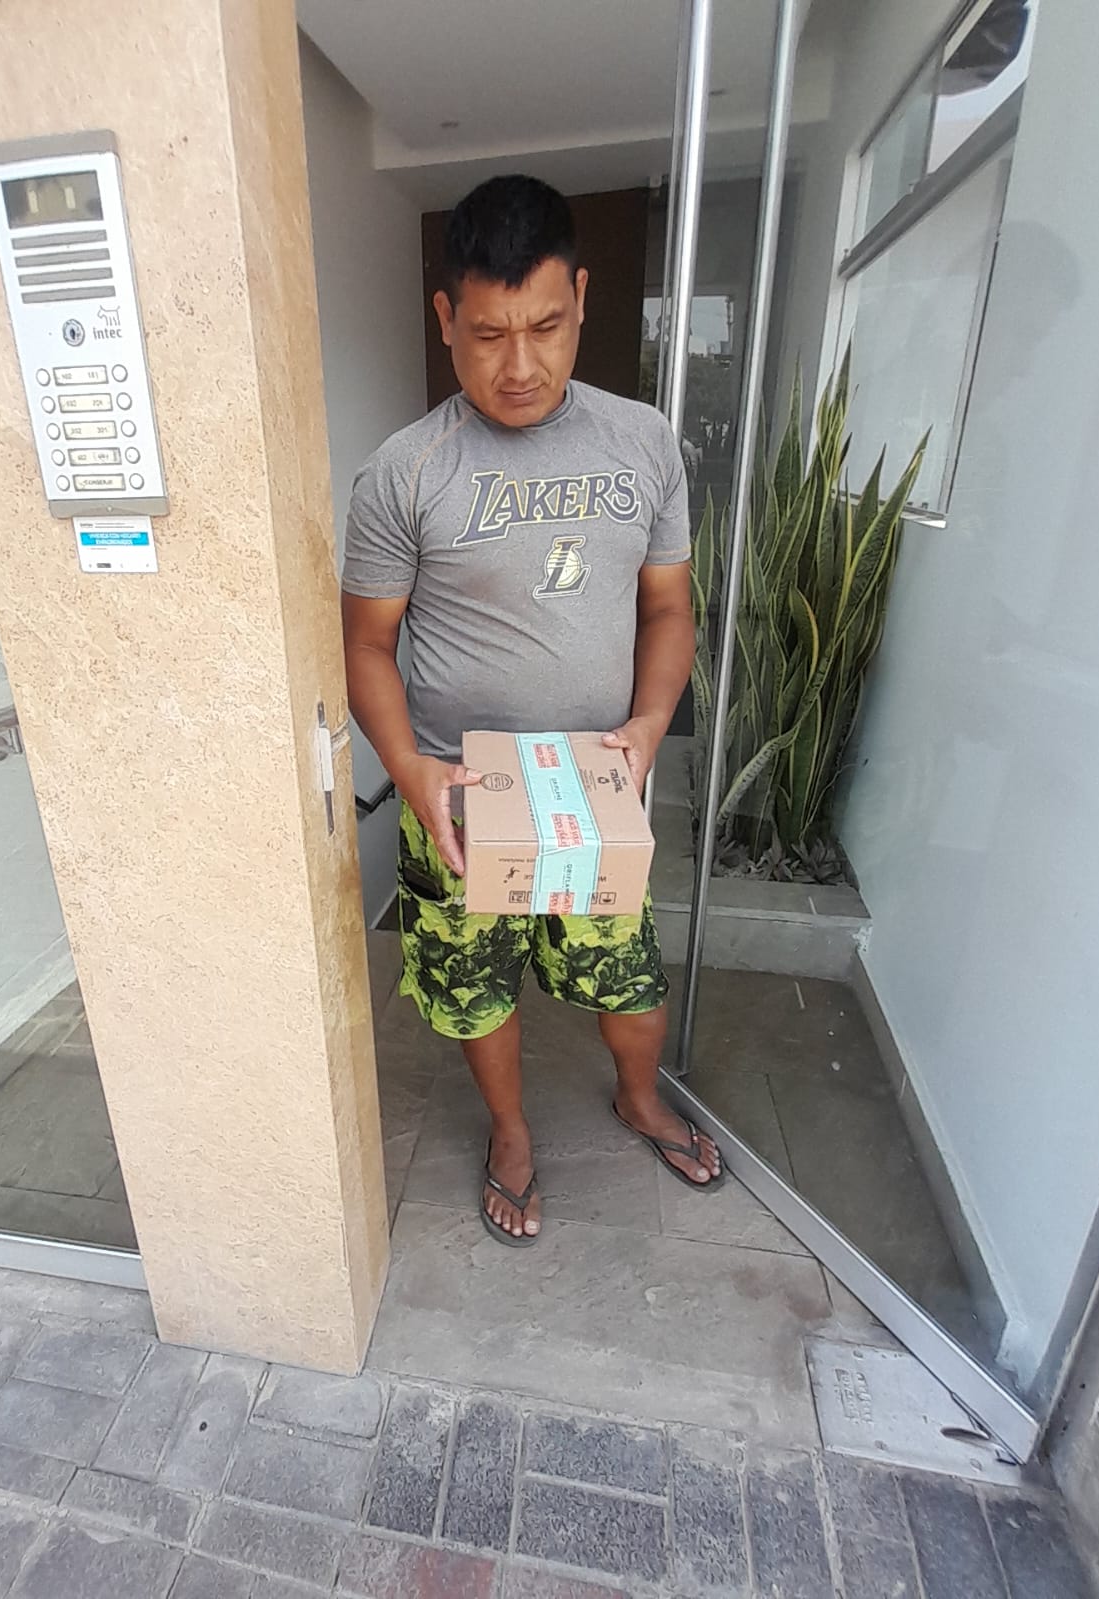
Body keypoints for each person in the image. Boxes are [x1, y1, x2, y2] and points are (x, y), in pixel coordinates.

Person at [341, 174, 723, 1246]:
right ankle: (510, 1132)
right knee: (476, 990)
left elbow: (669, 609)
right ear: (445, 318)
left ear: (582, 300)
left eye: (546, 327)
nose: (519, 365)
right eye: (488, 334)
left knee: (627, 979)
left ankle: (638, 1098)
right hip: (459, 801)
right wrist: (409, 771)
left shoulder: (642, 443)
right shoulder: (404, 472)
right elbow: (366, 645)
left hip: (595, 787)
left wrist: (650, 724)